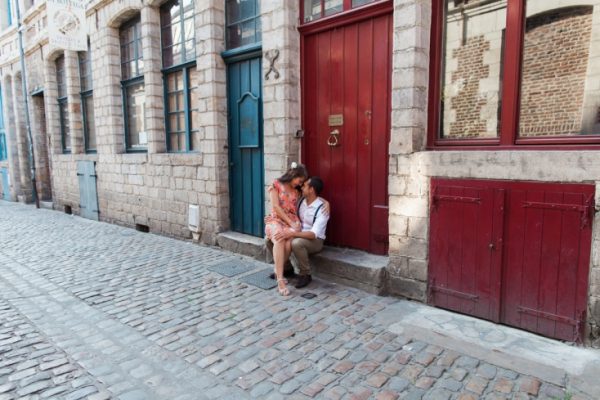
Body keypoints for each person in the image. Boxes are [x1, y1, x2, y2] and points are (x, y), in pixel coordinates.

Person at [272, 176, 329, 289]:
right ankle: (286, 268)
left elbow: (313, 234)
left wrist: (292, 234)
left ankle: (305, 274)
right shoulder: (301, 200)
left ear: (311, 189)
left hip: (315, 240)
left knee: (296, 243)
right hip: (298, 232)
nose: (301, 187)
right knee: (273, 238)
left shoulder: (322, 209)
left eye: (305, 185)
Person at [264, 163, 308, 296]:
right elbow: (276, 207)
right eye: (299, 181)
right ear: (293, 175)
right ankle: (280, 279)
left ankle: (278, 270)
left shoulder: (297, 190)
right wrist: (290, 223)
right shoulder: (276, 184)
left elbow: (312, 196)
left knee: (288, 243)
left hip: (292, 222)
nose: (300, 184)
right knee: (279, 237)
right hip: (276, 220)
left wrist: (326, 204)